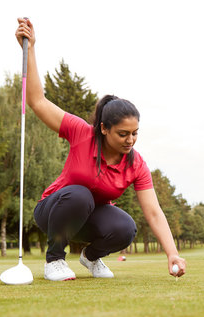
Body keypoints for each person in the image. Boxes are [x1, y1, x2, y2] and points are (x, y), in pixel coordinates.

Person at [15, 18, 186, 281]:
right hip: (53, 210)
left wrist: (171, 252)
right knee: (80, 195)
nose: (130, 140)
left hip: (87, 220)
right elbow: (38, 102)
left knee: (126, 227)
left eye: (135, 134)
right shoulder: (81, 132)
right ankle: (55, 261)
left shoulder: (136, 164)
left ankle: (91, 258)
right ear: (104, 128)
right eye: (123, 134)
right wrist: (32, 48)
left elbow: (153, 211)